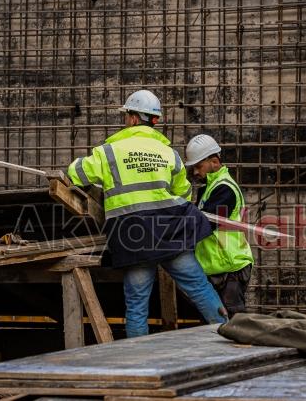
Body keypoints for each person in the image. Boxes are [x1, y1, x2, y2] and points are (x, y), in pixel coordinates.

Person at [66, 90, 226, 337]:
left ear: (131, 119)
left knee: (137, 303)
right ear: (154, 121)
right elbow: (183, 192)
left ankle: (137, 361)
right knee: (198, 287)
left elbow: (75, 173)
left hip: (134, 237)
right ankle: (228, 333)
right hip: (169, 232)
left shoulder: (109, 152)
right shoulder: (169, 154)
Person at [185, 134, 254, 316]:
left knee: (232, 320)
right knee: (218, 322)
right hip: (218, 266)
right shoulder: (210, 187)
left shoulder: (224, 189)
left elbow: (205, 225)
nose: (195, 172)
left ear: (214, 162)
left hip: (230, 268)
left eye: (199, 166)